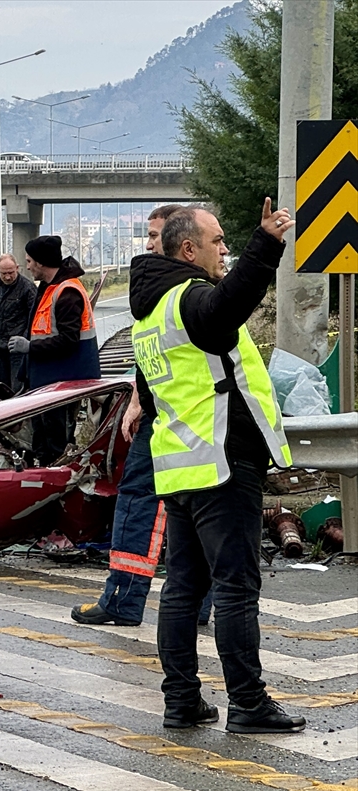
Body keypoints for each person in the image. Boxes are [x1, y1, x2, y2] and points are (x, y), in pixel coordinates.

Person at [132, 199, 302, 734]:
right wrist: (265, 244)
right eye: (218, 241)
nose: (224, 248)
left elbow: (154, 398)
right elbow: (228, 307)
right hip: (221, 463)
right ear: (189, 249)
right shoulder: (190, 300)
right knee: (234, 587)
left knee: (183, 587)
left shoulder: (150, 315)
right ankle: (248, 704)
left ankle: (182, 701)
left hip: (181, 466)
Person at [73, 205, 184, 627]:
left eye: (156, 236)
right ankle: (193, 604)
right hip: (173, 416)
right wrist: (139, 394)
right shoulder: (178, 291)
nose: (151, 244)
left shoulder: (177, 294)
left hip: (174, 422)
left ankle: (123, 599)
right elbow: (155, 354)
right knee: (190, 513)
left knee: (141, 504)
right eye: (151, 236)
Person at [12, 235, 99, 464]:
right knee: (43, 437)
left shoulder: (67, 292)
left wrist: (30, 347)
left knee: (56, 441)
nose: (27, 266)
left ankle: (56, 479)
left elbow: (68, 340)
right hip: (47, 379)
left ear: (40, 262)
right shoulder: (50, 288)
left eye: (29, 261)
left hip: (62, 379)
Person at [0, 253, 35, 394]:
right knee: (0, 389)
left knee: (18, 389)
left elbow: (33, 318)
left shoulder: (27, 288)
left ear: (17, 268)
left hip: (17, 350)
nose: (7, 277)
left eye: (11, 272)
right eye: (3, 273)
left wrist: (25, 342)